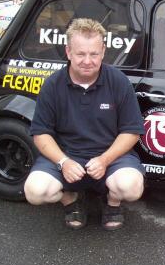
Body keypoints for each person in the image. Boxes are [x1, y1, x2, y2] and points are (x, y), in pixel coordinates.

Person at [24, 18, 145, 230]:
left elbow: (131, 131)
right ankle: (70, 199)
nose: (87, 61)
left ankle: (112, 202)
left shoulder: (118, 81)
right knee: (35, 192)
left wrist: (105, 160)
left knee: (131, 188)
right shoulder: (52, 85)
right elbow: (41, 133)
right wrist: (63, 162)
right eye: (80, 54)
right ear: (68, 52)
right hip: (67, 156)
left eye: (94, 54)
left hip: (111, 157)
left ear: (103, 52)